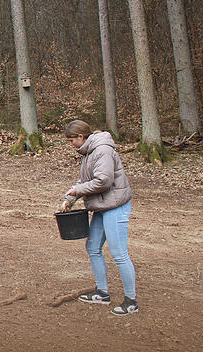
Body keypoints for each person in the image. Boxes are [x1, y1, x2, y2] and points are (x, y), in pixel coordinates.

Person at [61, 119, 137, 316]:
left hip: (115, 206)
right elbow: (85, 181)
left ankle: (131, 300)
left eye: (71, 140)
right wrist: (70, 198)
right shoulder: (88, 153)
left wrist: (78, 189)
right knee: (92, 247)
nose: (71, 145)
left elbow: (103, 181)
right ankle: (102, 292)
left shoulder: (102, 150)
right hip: (101, 207)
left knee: (119, 253)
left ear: (81, 136)